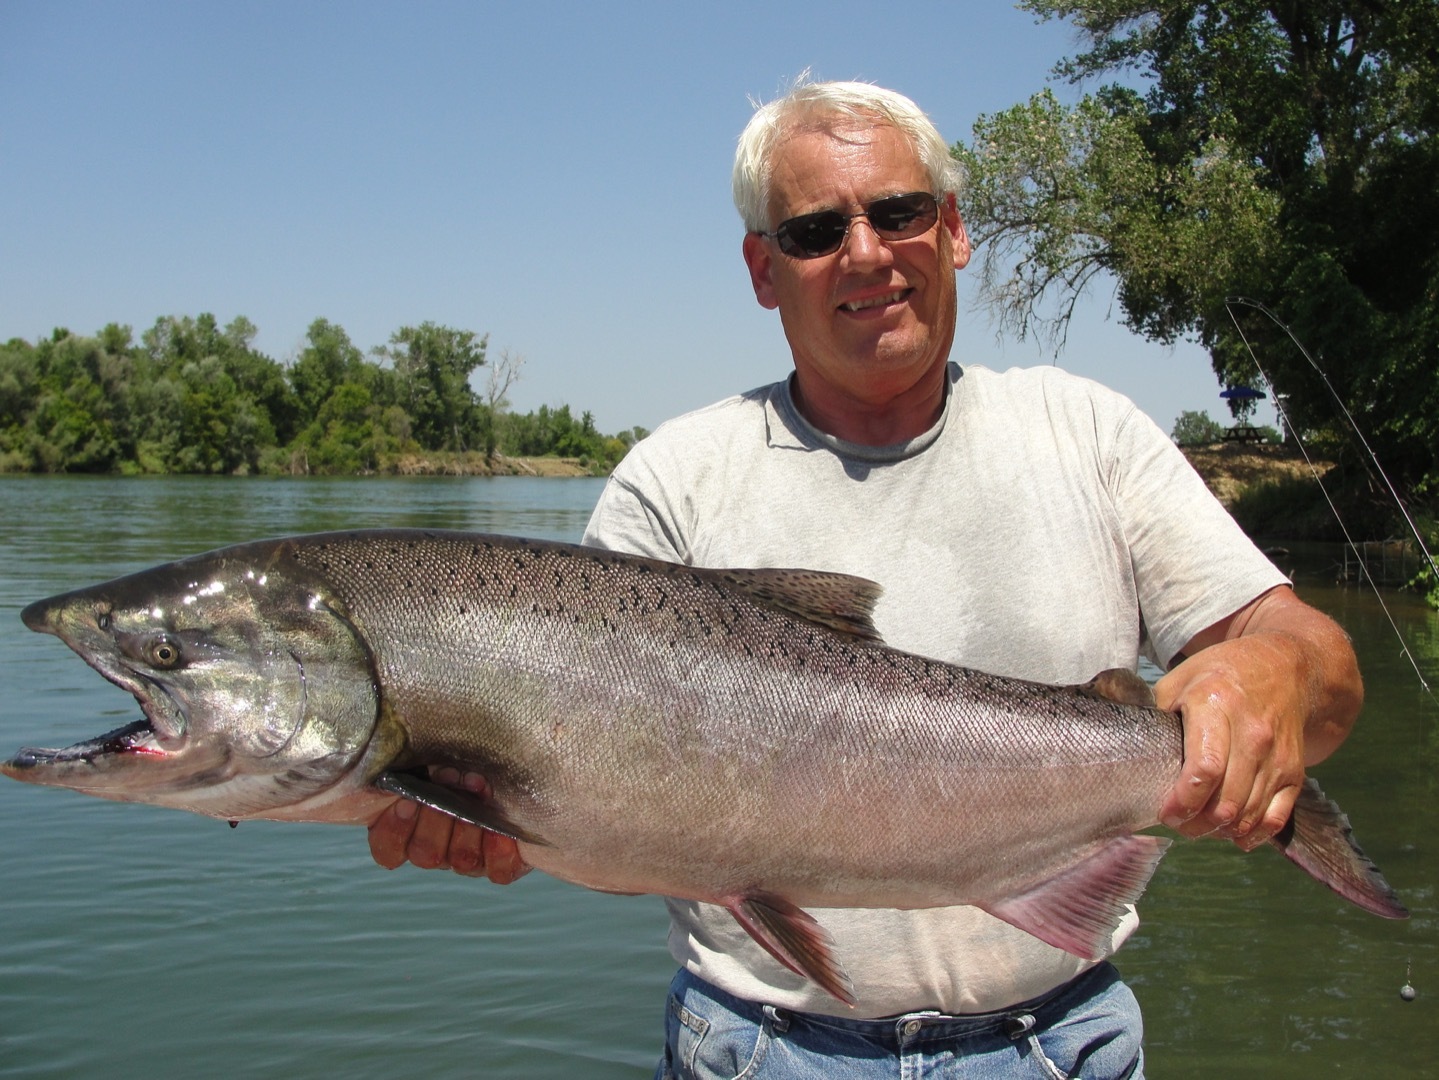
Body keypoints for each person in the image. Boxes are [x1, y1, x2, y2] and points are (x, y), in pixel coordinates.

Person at [368, 80, 1363, 1078]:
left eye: (898, 212)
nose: (865, 252)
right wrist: (498, 819)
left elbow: (1319, 672)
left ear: (954, 230)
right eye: (812, 229)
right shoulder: (669, 481)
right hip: (757, 1049)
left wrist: (1277, 672)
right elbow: (622, 831)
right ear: (762, 269)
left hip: (1061, 1041)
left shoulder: (1088, 433)